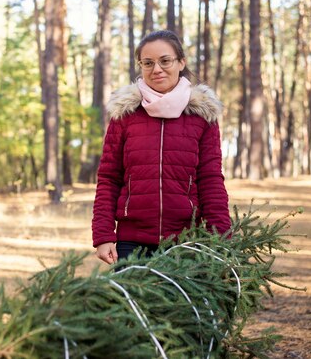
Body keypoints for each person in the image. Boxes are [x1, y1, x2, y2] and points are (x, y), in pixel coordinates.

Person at [92, 30, 231, 264]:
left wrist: (221, 236)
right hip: (132, 242)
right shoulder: (125, 114)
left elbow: (210, 179)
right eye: (148, 63)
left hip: (186, 239)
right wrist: (103, 235)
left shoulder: (201, 115)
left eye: (165, 60)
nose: (156, 69)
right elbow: (108, 177)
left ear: (181, 62)